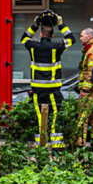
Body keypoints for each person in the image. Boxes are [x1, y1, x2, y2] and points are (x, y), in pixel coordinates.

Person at [21, 10, 76, 149]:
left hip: (37, 91)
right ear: (52, 35)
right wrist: (60, 24)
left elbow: (24, 38)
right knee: (55, 117)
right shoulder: (57, 47)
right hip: (53, 90)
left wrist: (34, 25)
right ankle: (56, 149)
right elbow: (71, 39)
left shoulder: (33, 47)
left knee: (39, 119)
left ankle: (40, 149)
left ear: (40, 34)